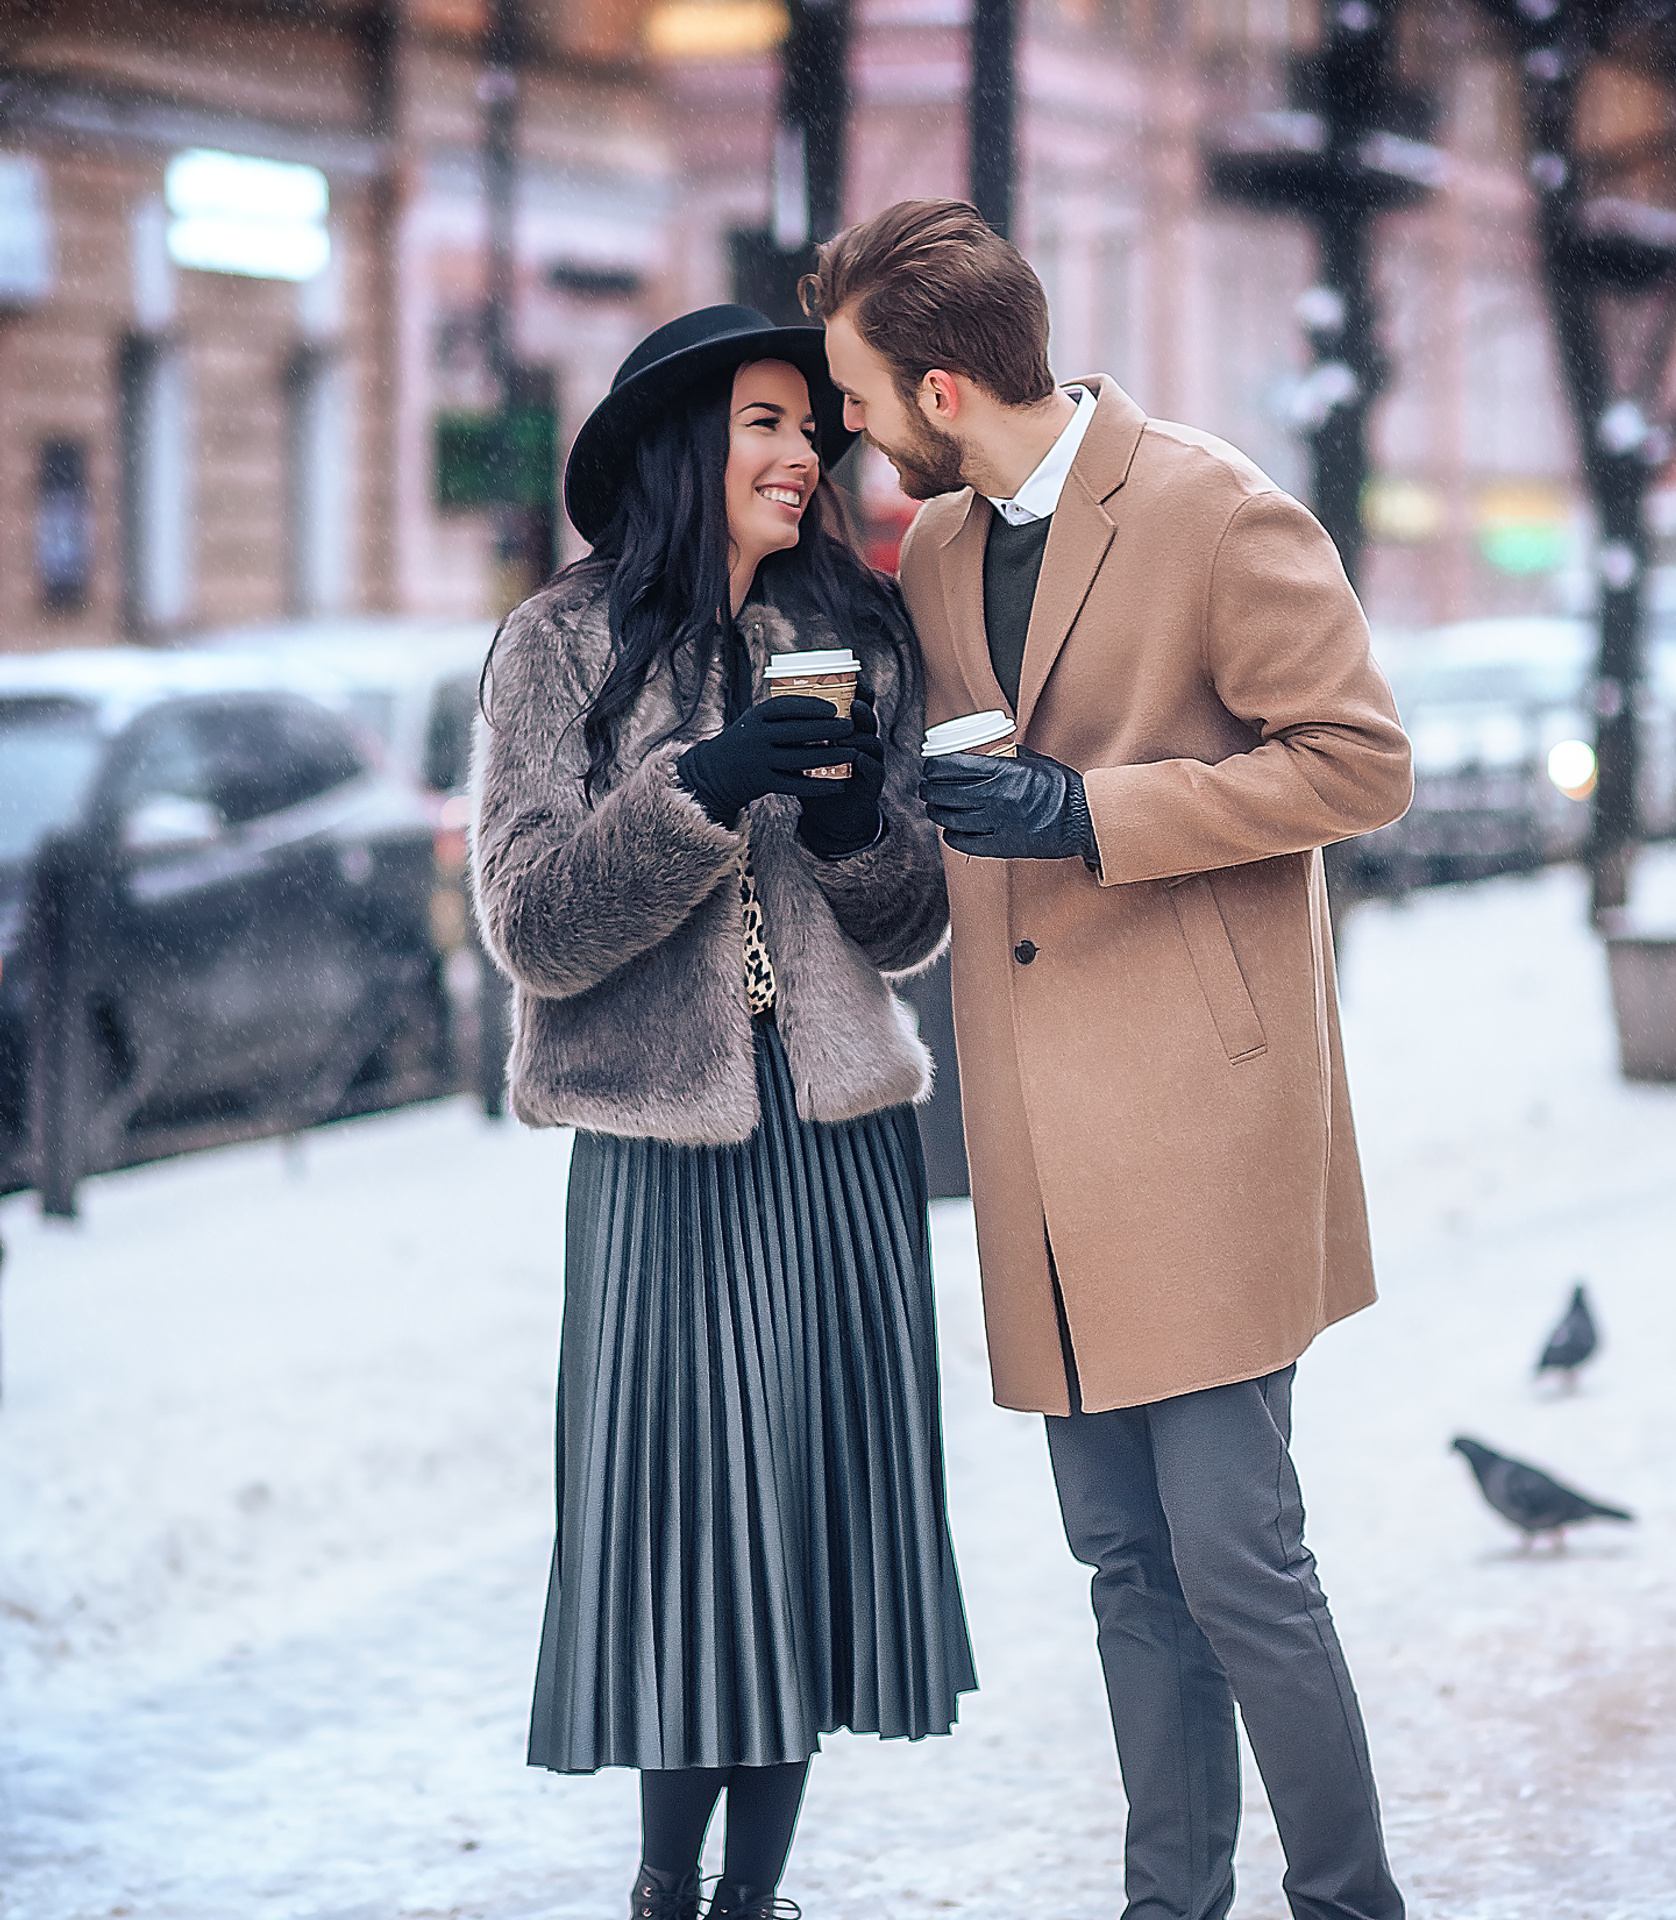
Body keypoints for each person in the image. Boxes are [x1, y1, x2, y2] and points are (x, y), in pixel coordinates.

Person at [810, 202, 1414, 1920]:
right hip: (1037, 1133)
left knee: (1238, 1558)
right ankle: (1170, 1905)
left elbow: (1362, 765)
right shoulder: (936, 552)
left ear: (940, 389)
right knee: (1125, 1566)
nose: (851, 426)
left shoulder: (1214, 508)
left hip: (1202, 1116)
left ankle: (1350, 1903)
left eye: (858, 395)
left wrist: (1091, 811)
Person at [471, 305, 974, 1920]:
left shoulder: (858, 631)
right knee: (696, 1533)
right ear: (688, 450)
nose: (803, 452)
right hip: (662, 1155)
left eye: (809, 427)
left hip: (840, 1145)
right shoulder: (559, 644)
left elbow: (912, 924)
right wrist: (700, 787)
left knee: (803, 1533)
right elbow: (531, 925)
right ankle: (662, 1889)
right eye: (766, 423)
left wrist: (850, 825)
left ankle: (751, 1899)